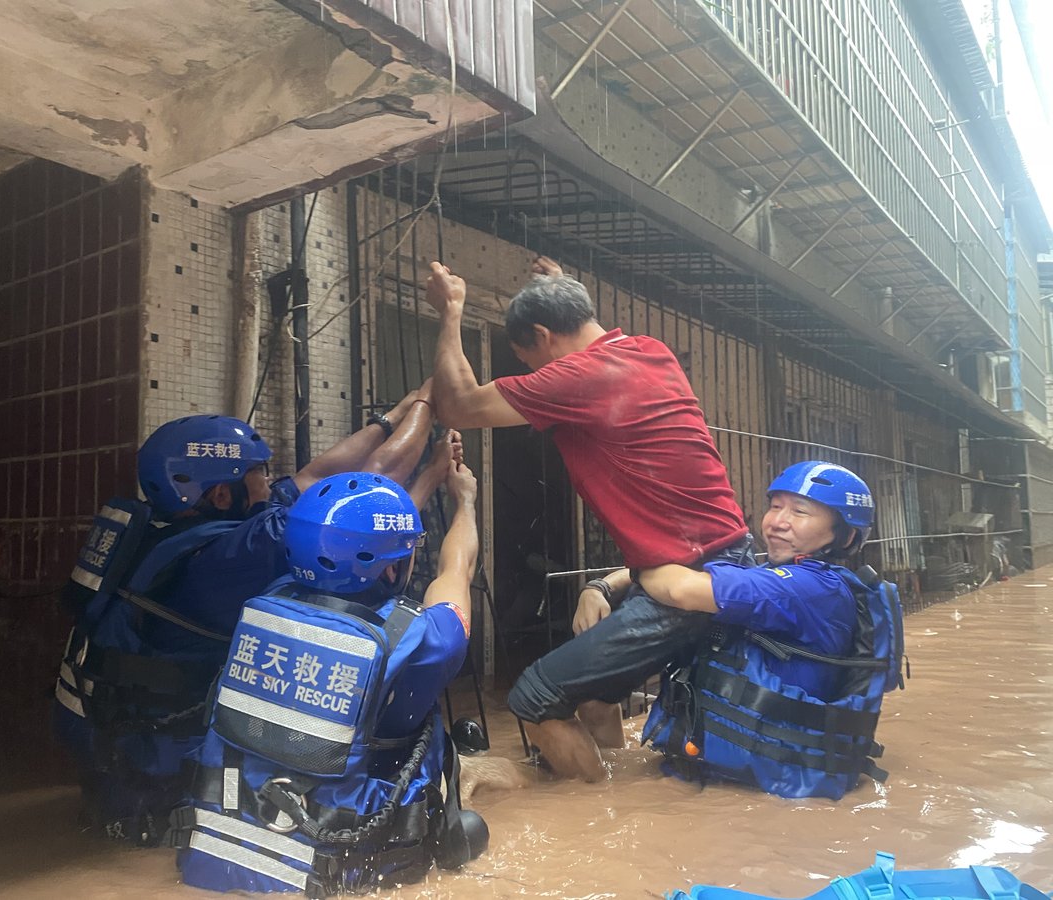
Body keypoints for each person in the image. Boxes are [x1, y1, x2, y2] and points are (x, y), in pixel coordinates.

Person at [54, 385, 449, 844]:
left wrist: (395, 413)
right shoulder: (230, 558)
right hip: (150, 762)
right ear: (223, 494)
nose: (271, 479)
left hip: (110, 738)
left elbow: (315, 473)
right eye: (259, 472)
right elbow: (378, 480)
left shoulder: (179, 531)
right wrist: (428, 403)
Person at [424, 257, 751, 780]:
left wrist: (450, 311)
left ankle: (603, 810)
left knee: (533, 696)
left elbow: (459, 405)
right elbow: (571, 329)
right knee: (594, 696)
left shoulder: (578, 377)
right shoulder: (650, 351)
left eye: (529, 359)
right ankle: (614, 777)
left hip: (687, 582)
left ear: (541, 335)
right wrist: (558, 286)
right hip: (717, 563)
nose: (537, 377)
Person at [174, 457, 487, 896]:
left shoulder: (269, 601)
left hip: (221, 853)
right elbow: (457, 570)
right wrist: (466, 501)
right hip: (336, 871)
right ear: (393, 567)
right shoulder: (419, 640)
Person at [631, 461, 904, 799]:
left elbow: (683, 590)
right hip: (746, 781)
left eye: (800, 512)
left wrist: (636, 566)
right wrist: (600, 586)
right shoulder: (783, 579)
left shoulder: (808, 588)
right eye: (775, 507)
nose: (777, 522)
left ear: (844, 536)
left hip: (757, 793)